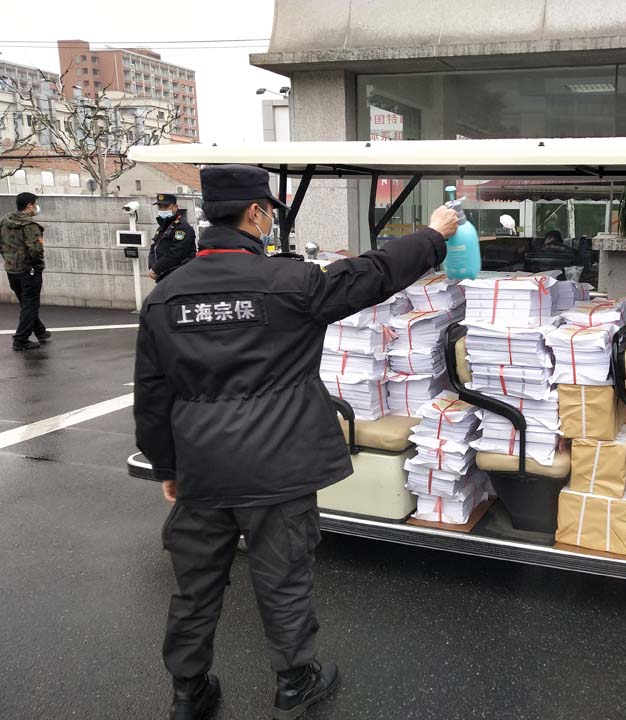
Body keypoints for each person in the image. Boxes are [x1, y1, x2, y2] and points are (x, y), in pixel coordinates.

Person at [134, 164, 458, 720]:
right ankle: (293, 684)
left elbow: (152, 390)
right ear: (255, 213)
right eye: (268, 211)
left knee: (194, 585)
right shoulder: (290, 282)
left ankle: (188, 692)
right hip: (279, 466)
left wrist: (167, 466)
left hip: (202, 468)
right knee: (282, 579)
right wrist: (432, 235)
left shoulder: (167, 295)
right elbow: (374, 273)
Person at [1, 192, 50, 351]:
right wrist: (38, 267)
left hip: (11, 270)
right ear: (29, 206)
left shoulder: (5, 221)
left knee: (26, 303)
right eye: (35, 204)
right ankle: (20, 340)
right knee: (30, 304)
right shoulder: (30, 226)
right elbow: (36, 250)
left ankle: (40, 331)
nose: (36, 207)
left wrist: (9, 260)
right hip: (28, 271)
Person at [147, 193, 196, 281]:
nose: (162, 210)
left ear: (175, 207)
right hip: (164, 275)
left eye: (166, 207)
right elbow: (154, 248)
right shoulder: (163, 227)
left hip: (180, 276)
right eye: (160, 207)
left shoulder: (182, 228)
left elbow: (176, 254)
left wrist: (156, 269)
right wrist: (152, 267)